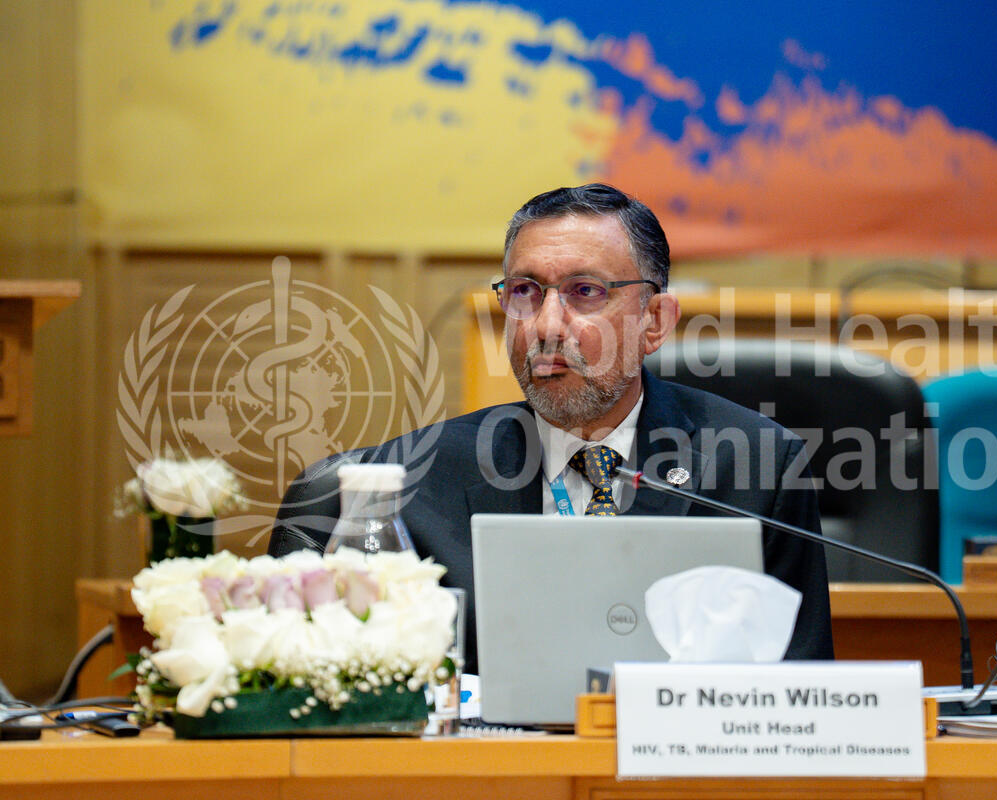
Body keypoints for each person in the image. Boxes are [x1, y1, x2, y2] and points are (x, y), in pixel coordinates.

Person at [270, 183, 833, 671]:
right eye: (525, 292)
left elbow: (798, 695)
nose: (545, 325)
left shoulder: (755, 467)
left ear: (655, 321)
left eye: (585, 292)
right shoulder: (408, 484)